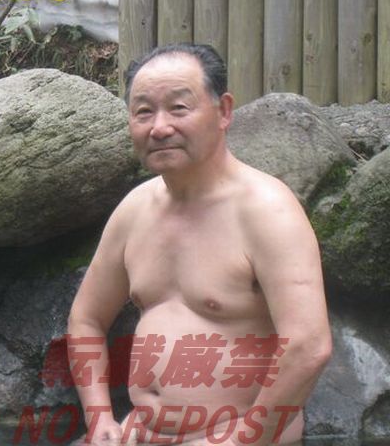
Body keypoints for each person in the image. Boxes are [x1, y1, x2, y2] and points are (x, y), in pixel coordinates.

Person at [66, 43, 332, 445]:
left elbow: (308, 346)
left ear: (223, 111)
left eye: (178, 108)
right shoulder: (134, 209)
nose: (159, 127)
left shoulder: (267, 210)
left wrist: (241, 441)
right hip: (137, 433)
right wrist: (99, 417)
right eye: (143, 112)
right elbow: (86, 318)